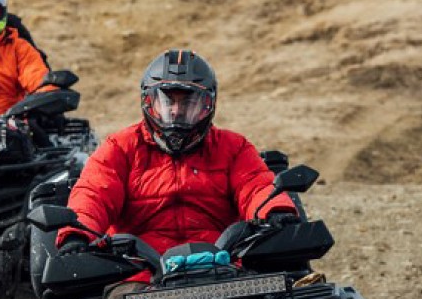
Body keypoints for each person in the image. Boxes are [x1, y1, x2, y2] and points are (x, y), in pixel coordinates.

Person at [56, 49, 297, 261]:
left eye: (188, 103)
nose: (176, 111)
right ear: (149, 102)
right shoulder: (120, 147)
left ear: (208, 105)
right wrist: (78, 235)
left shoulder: (234, 147)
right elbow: (94, 194)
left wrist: (275, 211)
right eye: (167, 101)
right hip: (139, 270)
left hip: (224, 264)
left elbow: (256, 186)